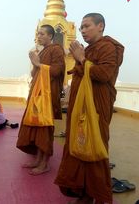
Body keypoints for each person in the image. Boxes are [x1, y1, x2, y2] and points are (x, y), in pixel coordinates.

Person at [55, 13, 124, 204]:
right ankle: (84, 192)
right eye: (81, 28)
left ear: (100, 26)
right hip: (80, 108)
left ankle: (98, 194)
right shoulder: (89, 49)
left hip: (96, 108)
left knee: (95, 147)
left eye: (87, 26)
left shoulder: (109, 47)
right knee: (79, 145)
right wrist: (80, 59)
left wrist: (82, 59)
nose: (83, 31)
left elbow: (103, 74)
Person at [16, 24, 65, 175]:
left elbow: (57, 71)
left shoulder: (56, 49)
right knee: (36, 126)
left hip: (47, 95)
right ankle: (38, 159)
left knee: (44, 128)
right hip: (37, 94)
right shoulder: (43, 51)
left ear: (51, 36)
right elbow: (34, 73)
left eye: (42, 34)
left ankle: (45, 164)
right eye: (38, 33)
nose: (39, 36)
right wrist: (35, 63)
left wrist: (38, 63)